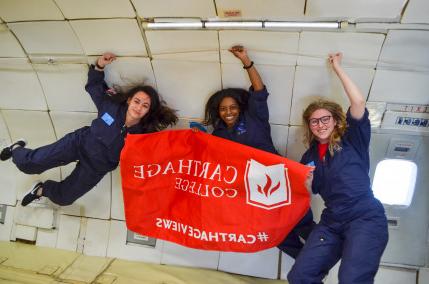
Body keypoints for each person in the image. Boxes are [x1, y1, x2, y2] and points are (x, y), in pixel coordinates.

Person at [0, 52, 178, 207]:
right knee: (30, 165)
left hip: (96, 167)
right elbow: (94, 87)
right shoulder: (111, 106)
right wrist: (99, 65)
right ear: (129, 100)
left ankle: (41, 190)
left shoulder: (143, 135)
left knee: (65, 198)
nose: (139, 107)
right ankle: (16, 149)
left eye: (145, 105)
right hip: (78, 143)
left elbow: (164, 151)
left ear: (149, 111)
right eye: (137, 101)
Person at [196, 45, 314, 259]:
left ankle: (323, 254)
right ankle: (307, 264)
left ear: (239, 108)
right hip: (251, 190)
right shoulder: (218, 135)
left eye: (232, 107)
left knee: (300, 221)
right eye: (223, 109)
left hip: (276, 177)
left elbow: (259, 90)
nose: (228, 112)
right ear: (218, 112)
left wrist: (246, 61)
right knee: (273, 231)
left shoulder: (254, 117)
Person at [287, 53, 388, 283]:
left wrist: (337, 67)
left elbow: (358, 103)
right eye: (314, 121)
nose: (320, 124)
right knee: (300, 276)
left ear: (335, 121)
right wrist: (307, 183)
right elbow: (311, 190)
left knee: (352, 279)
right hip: (332, 221)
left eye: (325, 119)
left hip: (364, 217)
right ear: (309, 126)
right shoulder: (308, 157)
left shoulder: (353, 138)